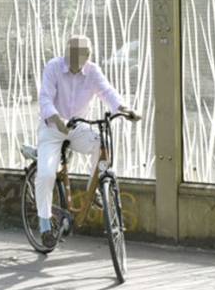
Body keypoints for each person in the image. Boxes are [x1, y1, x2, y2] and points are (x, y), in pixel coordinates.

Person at [34, 34, 139, 248]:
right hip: (52, 127)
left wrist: (124, 109)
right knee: (46, 174)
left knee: (101, 143)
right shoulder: (53, 67)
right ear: (66, 51)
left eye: (81, 53)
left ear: (88, 55)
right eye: (71, 52)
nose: (75, 57)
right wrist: (56, 119)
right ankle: (44, 224)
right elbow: (45, 98)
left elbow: (107, 92)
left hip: (77, 127)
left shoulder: (92, 71)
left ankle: (96, 188)